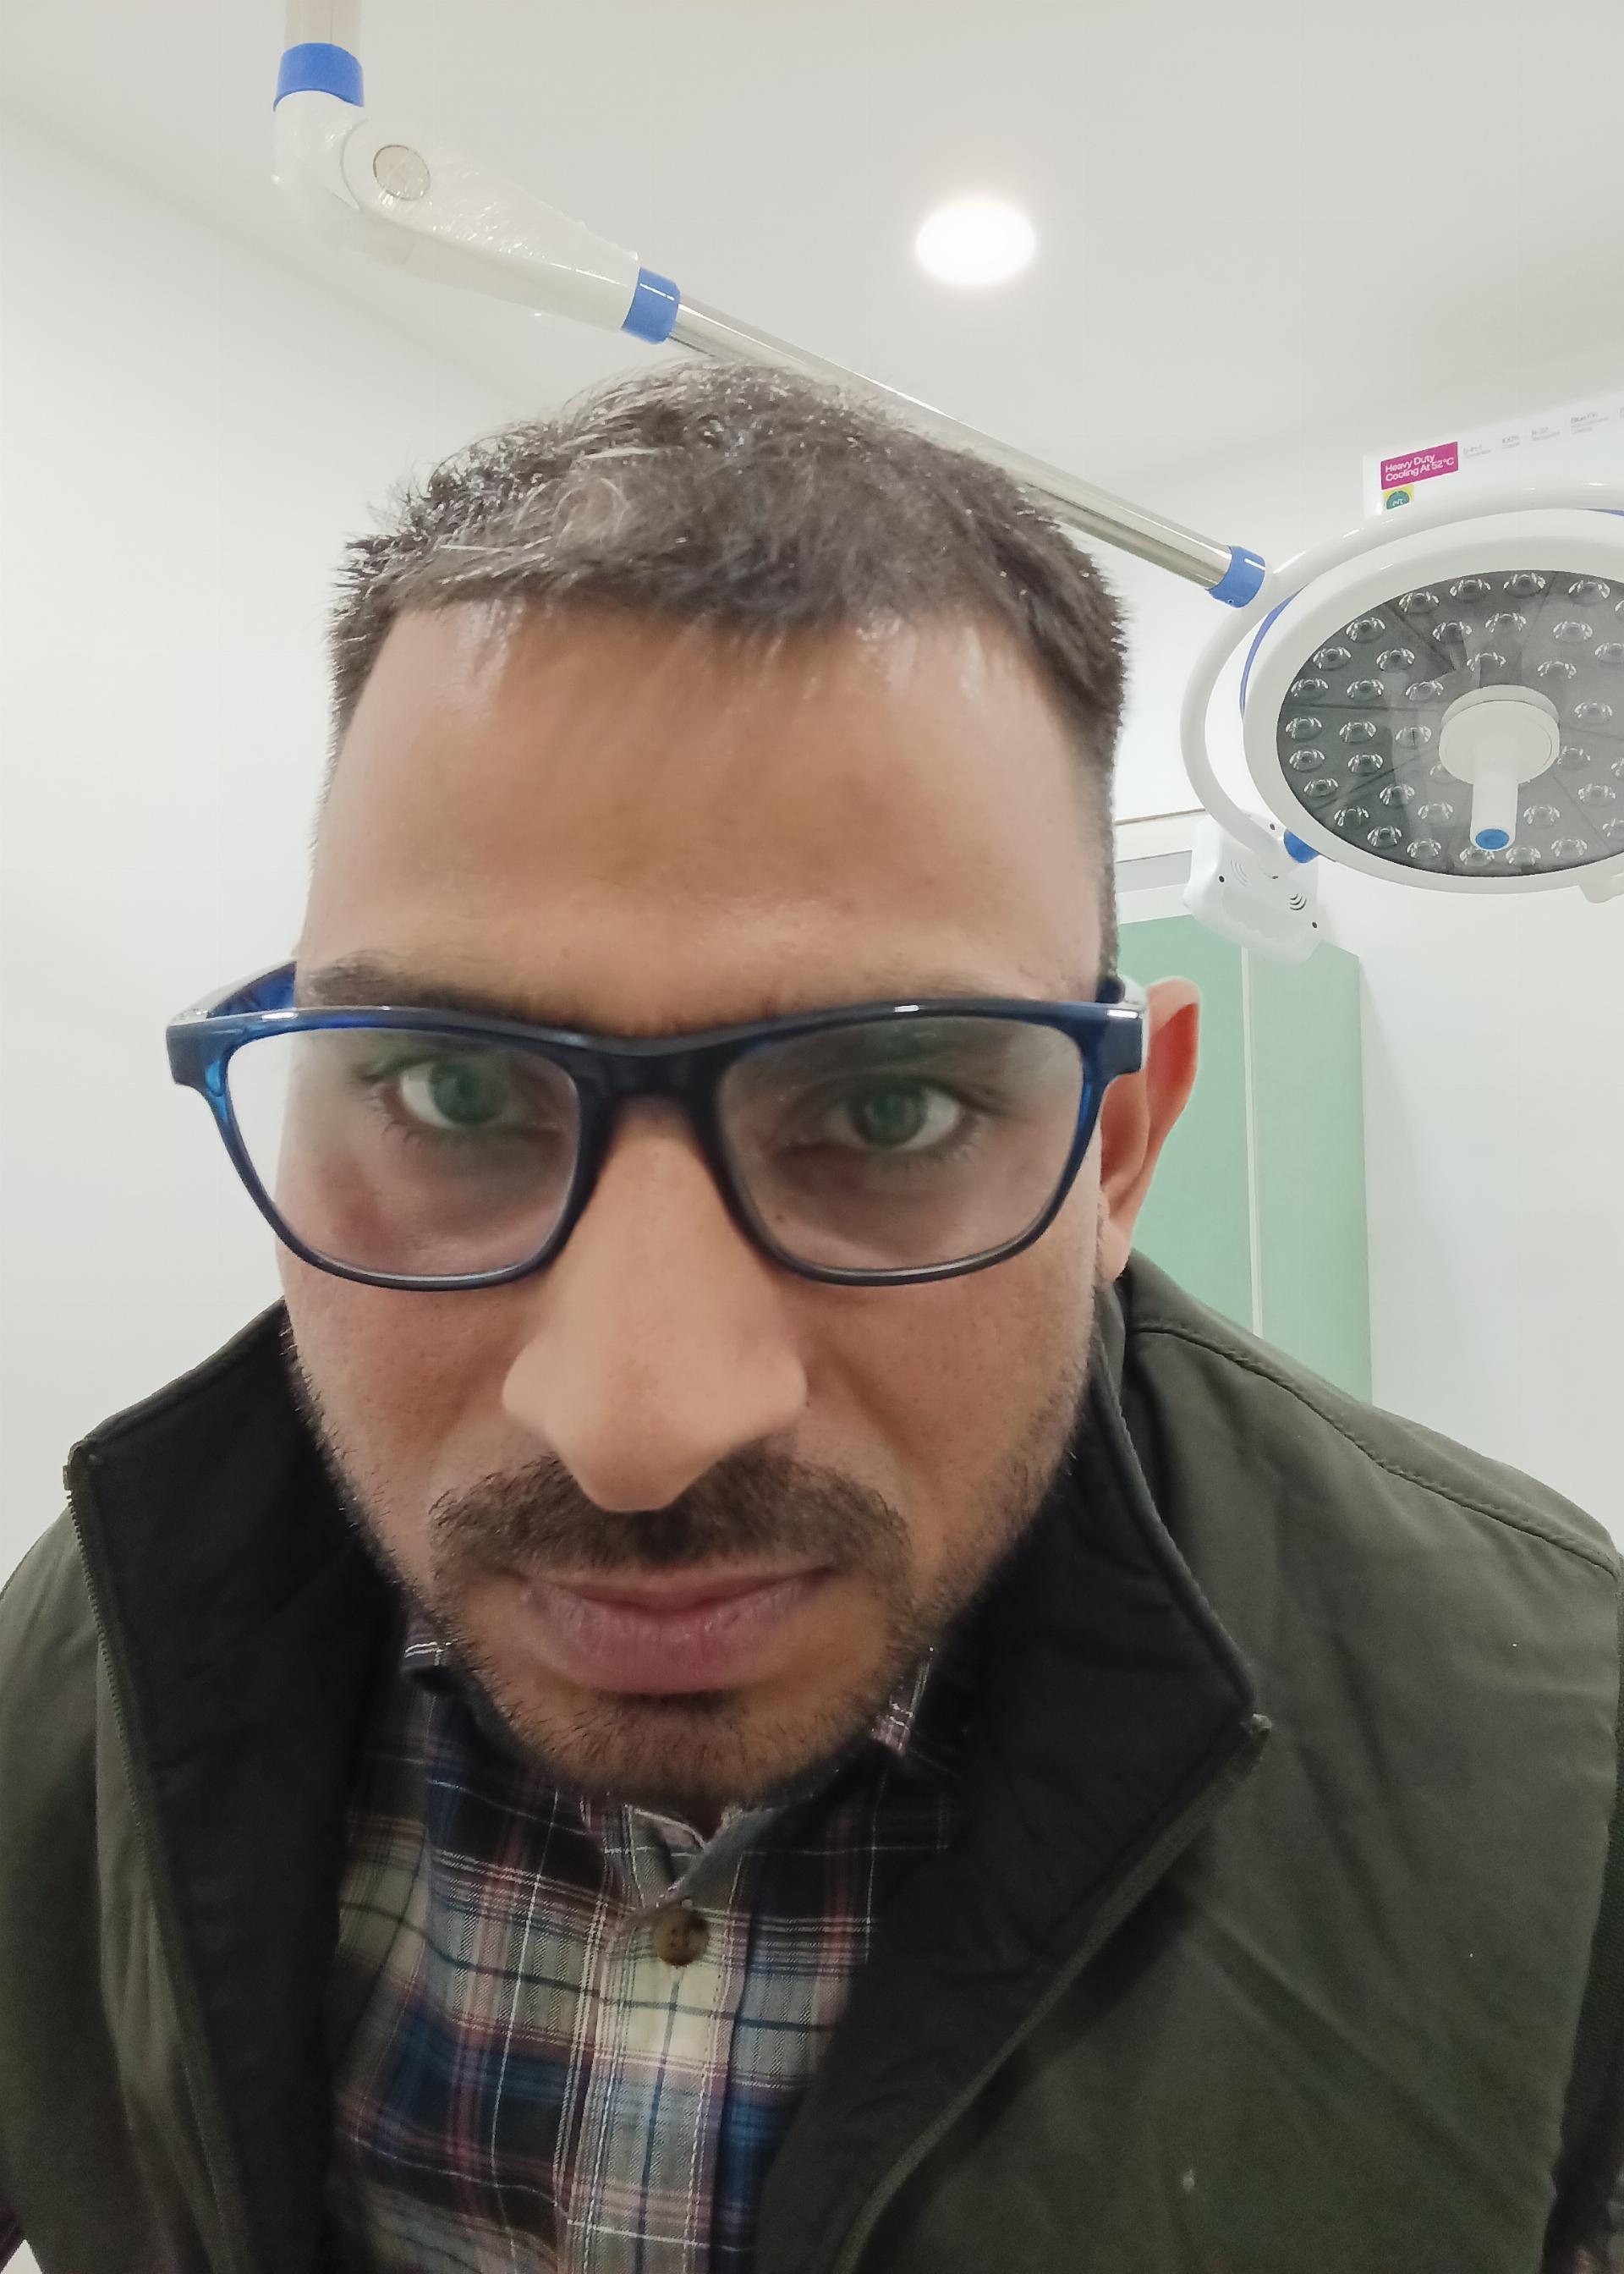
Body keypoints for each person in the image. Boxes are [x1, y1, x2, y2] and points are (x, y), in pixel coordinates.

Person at [1, 362, 1620, 2274]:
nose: (635, 1422)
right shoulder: (109, 1625)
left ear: (1114, 1153)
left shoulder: (1558, 1765)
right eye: (455, 1091)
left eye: (891, 1107)